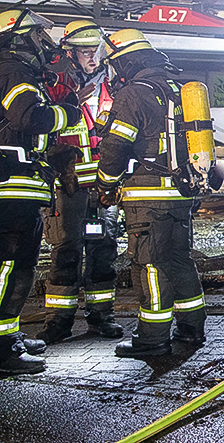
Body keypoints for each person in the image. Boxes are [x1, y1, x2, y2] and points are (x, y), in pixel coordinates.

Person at [94, 29, 206, 358]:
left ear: (126, 61)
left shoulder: (133, 93)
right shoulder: (175, 89)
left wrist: (105, 184)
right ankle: (191, 328)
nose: (114, 73)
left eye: (115, 65)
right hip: (181, 194)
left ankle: (152, 337)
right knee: (179, 260)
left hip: (148, 197)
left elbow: (116, 147)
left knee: (150, 265)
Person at [0, 9, 83, 373]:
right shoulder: (13, 70)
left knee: (20, 268)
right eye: (38, 35)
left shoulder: (18, 71)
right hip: (9, 189)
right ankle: (2, 351)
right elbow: (28, 118)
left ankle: (10, 337)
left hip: (19, 189)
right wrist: (67, 113)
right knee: (9, 269)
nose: (44, 43)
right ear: (19, 37)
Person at [36, 20, 123, 344]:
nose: (91, 57)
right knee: (66, 251)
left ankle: (102, 317)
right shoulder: (54, 82)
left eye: (94, 50)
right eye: (84, 52)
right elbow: (42, 121)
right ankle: (58, 322)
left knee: (103, 250)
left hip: (102, 187)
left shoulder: (111, 83)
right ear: (70, 53)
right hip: (68, 186)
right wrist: (73, 99)